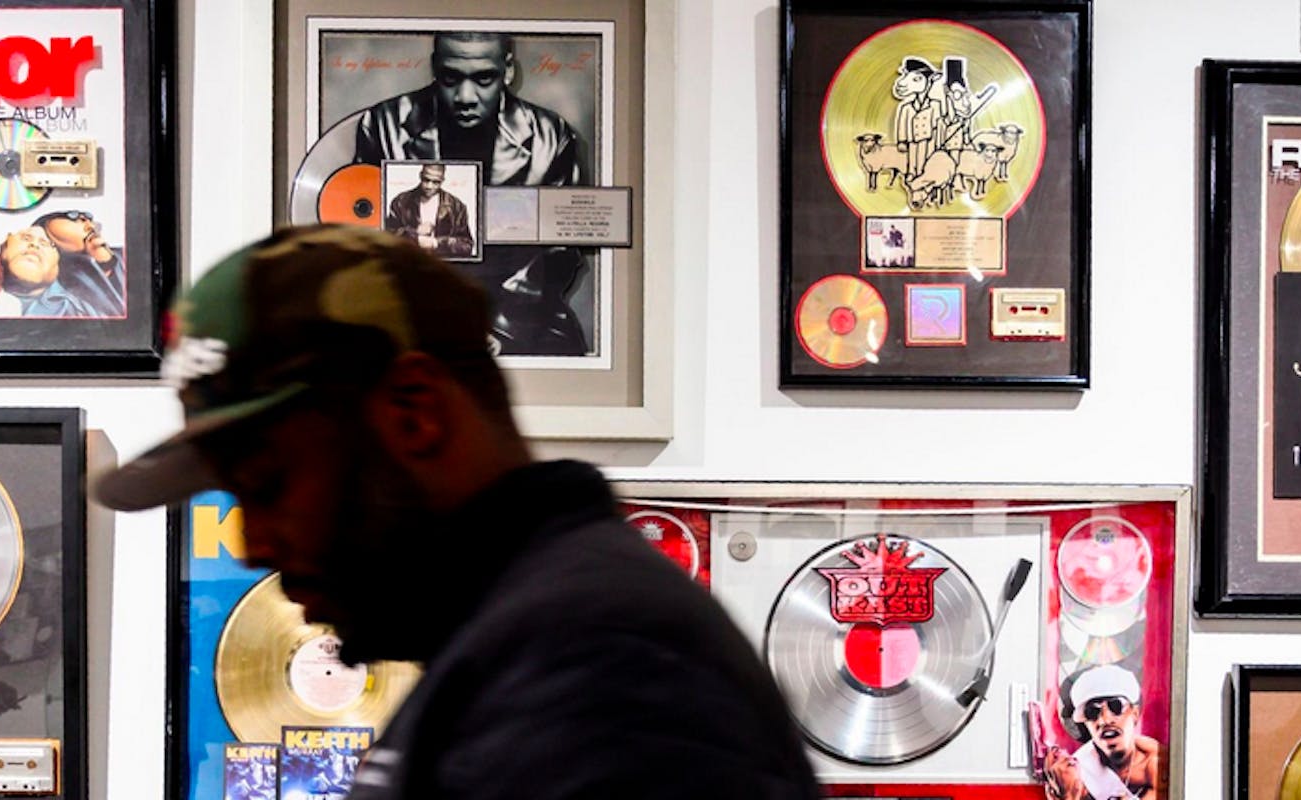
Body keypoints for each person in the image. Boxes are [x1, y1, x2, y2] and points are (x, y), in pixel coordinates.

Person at [96, 225, 819, 799]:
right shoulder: (517, 646)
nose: (253, 543)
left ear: (414, 414)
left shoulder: (600, 665)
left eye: (269, 483)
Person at [352, 32, 593, 355]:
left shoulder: (550, 135)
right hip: (411, 314)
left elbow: (562, 247)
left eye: (484, 79)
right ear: (435, 67)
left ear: (507, 71)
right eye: (451, 78)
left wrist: (494, 324)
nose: (466, 96)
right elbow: (361, 238)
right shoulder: (383, 124)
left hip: (521, 317)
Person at [1043, 665, 1162, 800]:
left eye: (1116, 706)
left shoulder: (1158, 763)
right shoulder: (1078, 770)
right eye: (1092, 712)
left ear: (1135, 713)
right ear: (1085, 724)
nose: (1104, 720)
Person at [33, 210, 126, 317]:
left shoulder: (131, 255)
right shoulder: (61, 303)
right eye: (76, 221)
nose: (91, 226)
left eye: (88, 221)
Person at [384, 163, 474, 257]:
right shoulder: (401, 201)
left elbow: (467, 246)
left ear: (442, 180)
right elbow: (387, 238)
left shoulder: (457, 206)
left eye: (436, 182)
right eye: (426, 180)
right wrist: (415, 235)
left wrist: (436, 243)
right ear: (420, 175)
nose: (429, 186)